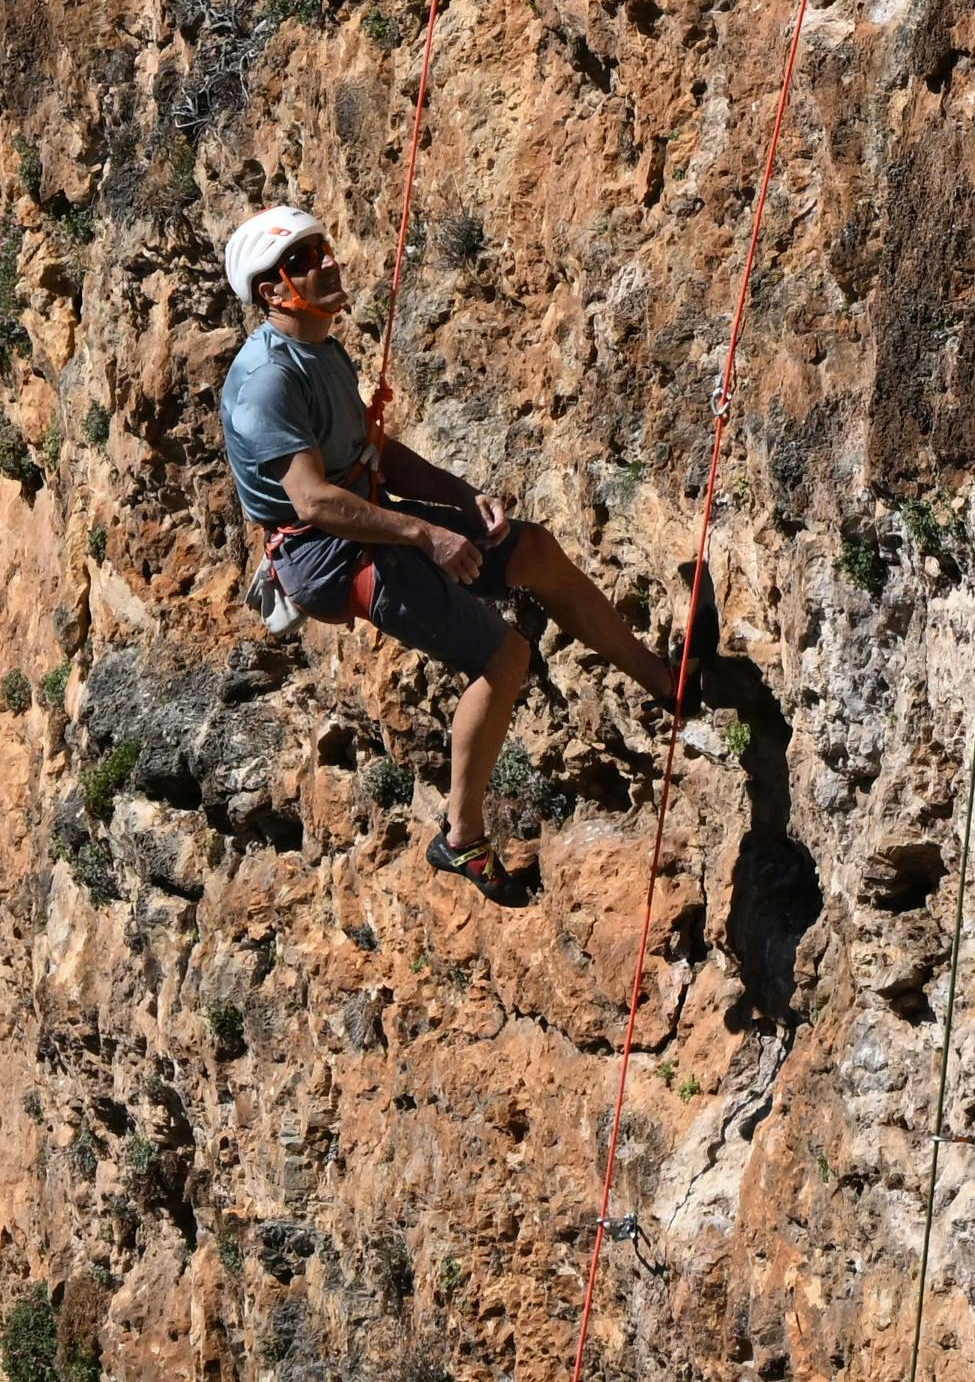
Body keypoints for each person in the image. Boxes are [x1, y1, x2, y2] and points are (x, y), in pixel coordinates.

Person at [214, 201, 760, 889]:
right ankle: (461, 838)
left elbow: (375, 453)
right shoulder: (268, 383)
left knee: (533, 551)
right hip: (328, 555)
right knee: (504, 656)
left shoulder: (321, 347)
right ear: (271, 291)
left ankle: (667, 684)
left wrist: (461, 498)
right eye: (302, 260)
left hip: (362, 517)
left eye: (322, 249)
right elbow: (314, 501)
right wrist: (427, 534)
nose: (325, 263)